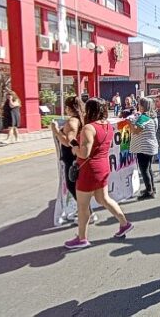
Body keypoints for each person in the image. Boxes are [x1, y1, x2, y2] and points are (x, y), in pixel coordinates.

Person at [64, 98, 133, 249]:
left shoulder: (88, 128)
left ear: (89, 110)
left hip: (89, 169)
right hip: (103, 166)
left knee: (83, 206)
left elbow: (84, 153)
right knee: (103, 198)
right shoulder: (107, 125)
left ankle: (82, 238)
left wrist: (74, 147)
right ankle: (124, 223)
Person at [51, 96, 99, 225]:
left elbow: (68, 142)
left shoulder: (72, 121)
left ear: (69, 108)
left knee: (72, 186)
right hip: (76, 157)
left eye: (66, 107)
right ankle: (85, 211)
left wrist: (56, 131)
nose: (65, 110)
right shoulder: (82, 118)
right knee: (77, 186)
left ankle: (88, 212)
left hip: (71, 158)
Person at [131, 97, 159, 200]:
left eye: (140, 105)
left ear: (143, 106)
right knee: (148, 168)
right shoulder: (153, 117)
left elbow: (135, 131)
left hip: (144, 147)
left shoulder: (144, 117)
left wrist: (130, 122)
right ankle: (151, 188)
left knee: (144, 170)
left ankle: (149, 191)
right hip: (151, 146)